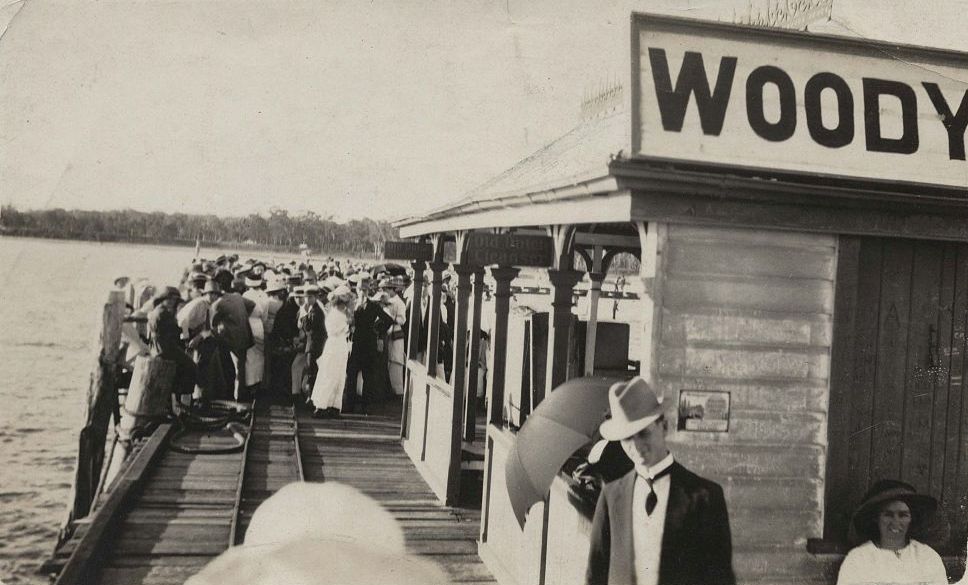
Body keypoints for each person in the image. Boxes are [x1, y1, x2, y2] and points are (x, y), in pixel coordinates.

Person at [586, 377, 735, 585]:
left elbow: (720, 578)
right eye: (627, 438)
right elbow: (595, 574)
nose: (636, 447)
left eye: (643, 433)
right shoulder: (611, 497)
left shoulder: (705, 497)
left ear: (664, 427)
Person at [836, 480, 948, 585]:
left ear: (911, 518)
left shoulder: (927, 557)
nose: (896, 522)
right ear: (876, 518)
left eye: (903, 515)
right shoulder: (858, 559)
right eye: (888, 514)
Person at [310, 285, 354, 418]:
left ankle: (334, 406)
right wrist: (348, 324)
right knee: (330, 375)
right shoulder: (336, 315)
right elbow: (335, 330)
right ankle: (322, 405)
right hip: (335, 345)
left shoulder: (340, 313)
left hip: (340, 345)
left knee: (339, 376)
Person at [146, 286, 197, 398]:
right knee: (192, 367)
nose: (172, 302)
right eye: (169, 299)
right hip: (165, 349)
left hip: (157, 349)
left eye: (174, 300)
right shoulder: (163, 313)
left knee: (184, 365)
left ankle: (174, 398)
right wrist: (186, 330)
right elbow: (174, 331)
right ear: (163, 299)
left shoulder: (156, 311)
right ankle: (178, 396)